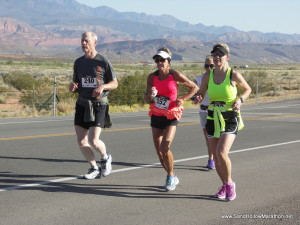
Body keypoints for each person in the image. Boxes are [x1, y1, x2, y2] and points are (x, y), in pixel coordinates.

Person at [195, 43, 251, 201]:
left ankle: (230, 184)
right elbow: (201, 92)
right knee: (216, 156)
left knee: (221, 152)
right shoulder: (208, 76)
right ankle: (225, 184)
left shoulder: (234, 75)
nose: (217, 57)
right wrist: (198, 97)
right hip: (212, 116)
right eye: (215, 54)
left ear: (227, 57)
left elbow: (248, 89)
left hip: (230, 117)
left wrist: (240, 99)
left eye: (220, 54)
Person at [145, 47, 199, 191]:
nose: (159, 62)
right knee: (159, 152)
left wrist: (183, 99)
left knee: (165, 147)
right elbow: (147, 99)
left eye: (162, 60)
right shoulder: (152, 77)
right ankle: (172, 174)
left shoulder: (175, 75)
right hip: (156, 114)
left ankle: (169, 176)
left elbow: (194, 87)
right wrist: (150, 95)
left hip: (171, 115)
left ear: (168, 61)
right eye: (157, 60)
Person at [69, 32, 118, 179]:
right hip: (82, 103)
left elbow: (115, 83)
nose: (84, 43)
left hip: (99, 104)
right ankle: (93, 167)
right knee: (81, 140)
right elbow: (76, 83)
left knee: (93, 140)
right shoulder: (78, 62)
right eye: (82, 40)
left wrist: (103, 87)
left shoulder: (103, 61)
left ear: (95, 43)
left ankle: (105, 157)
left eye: (87, 41)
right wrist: (72, 87)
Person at [193, 55, 215, 169]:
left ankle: (218, 157)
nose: (209, 68)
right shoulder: (199, 79)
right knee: (208, 137)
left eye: (212, 66)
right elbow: (194, 93)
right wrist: (195, 98)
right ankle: (211, 159)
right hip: (204, 110)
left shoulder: (219, 79)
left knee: (218, 137)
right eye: (207, 66)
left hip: (216, 110)